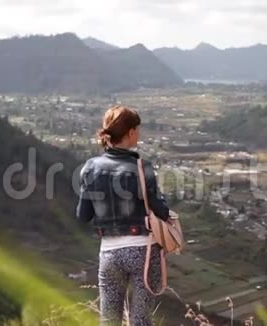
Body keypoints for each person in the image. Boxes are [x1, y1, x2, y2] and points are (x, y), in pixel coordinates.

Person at [76, 105, 170, 326]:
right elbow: (162, 211)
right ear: (130, 132)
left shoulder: (90, 168)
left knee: (109, 321)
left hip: (109, 254)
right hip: (143, 252)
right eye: (137, 129)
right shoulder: (141, 167)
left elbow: (83, 215)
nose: (139, 133)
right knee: (141, 321)